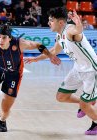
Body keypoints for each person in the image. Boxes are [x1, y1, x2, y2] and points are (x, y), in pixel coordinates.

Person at [24, 7, 97, 135]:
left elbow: (78, 30)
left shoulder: (70, 31)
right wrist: (36, 59)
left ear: (61, 22)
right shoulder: (60, 34)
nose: (48, 23)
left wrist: (78, 23)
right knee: (61, 96)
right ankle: (86, 102)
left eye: (51, 20)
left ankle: (93, 116)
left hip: (91, 70)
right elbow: (53, 51)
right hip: (78, 68)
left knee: (86, 106)